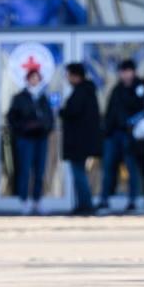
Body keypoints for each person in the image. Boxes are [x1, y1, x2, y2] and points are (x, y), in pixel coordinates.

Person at [99, 59, 144, 213]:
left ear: (133, 72)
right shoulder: (116, 90)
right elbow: (110, 112)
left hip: (131, 136)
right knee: (108, 168)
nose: (125, 75)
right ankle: (104, 199)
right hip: (113, 135)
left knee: (132, 168)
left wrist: (131, 124)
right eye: (123, 72)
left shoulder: (141, 88)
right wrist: (107, 130)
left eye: (128, 71)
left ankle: (133, 199)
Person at [6, 69, 54, 216]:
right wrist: (24, 127)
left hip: (41, 138)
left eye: (37, 78)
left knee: (39, 171)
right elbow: (12, 118)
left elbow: (50, 118)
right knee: (25, 171)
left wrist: (44, 127)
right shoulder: (20, 97)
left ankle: (37, 201)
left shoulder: (43, 98)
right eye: (32, 78)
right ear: (27, 80)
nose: (35, 81)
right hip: (25, 139)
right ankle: (24, 201)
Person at [59, 63, 102, 215]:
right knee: (79, 174)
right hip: (82, 142)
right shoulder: (88, 91)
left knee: (79, 174)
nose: (67, 78)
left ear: (76, 76)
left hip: (78, 143)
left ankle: (86, 205)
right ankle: (84, 204)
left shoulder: (81, 92)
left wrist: (62, 111)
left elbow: (71, 113)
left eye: (69, 75)